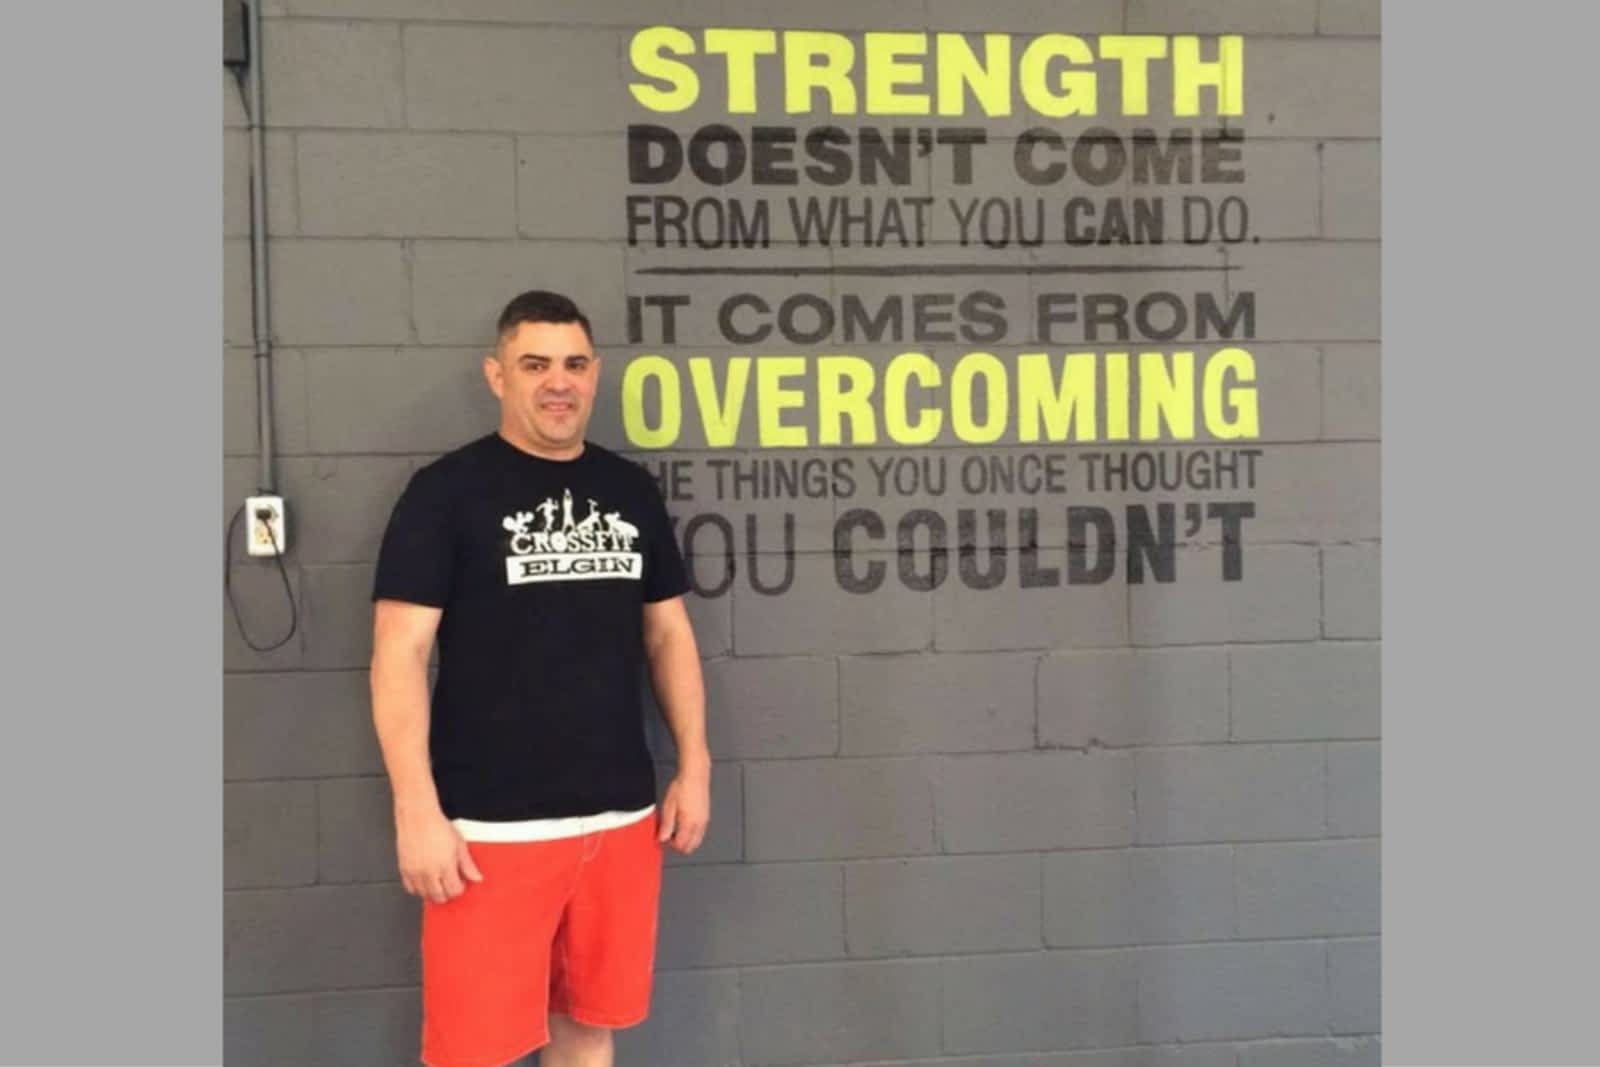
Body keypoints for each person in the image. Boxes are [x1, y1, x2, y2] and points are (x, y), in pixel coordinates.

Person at [368, 289, 711, 1067]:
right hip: (490, 831)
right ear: (497, 375)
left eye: (575, 364)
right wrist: (416, 808)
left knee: (589, 1026)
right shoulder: (445, 493)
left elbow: (668, 632)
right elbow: (398, 654)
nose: (559, 381)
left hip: (621, 816)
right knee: (474, 1050)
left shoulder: (630, 490)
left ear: (595, 374)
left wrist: (695, 763)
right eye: (535, 364)